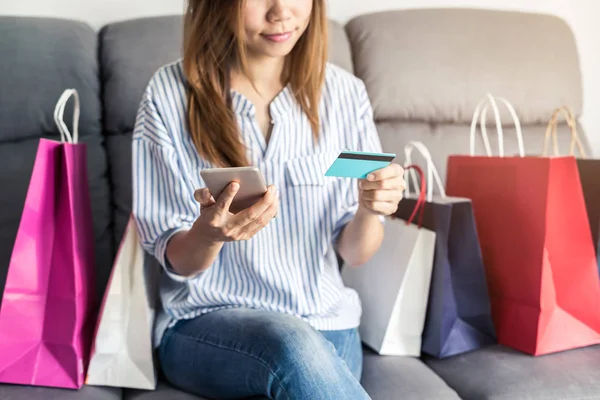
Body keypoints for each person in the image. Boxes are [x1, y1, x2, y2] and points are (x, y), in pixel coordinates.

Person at [132, 0, 405, 398]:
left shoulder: (345, 95)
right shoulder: (170, 95)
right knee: (292, 345)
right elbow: (177, 261)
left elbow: (356, 253)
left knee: (300, 354)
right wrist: (208, 235)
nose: (281, 12)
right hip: (206, 324)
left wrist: (370, 208)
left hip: (327, 323)